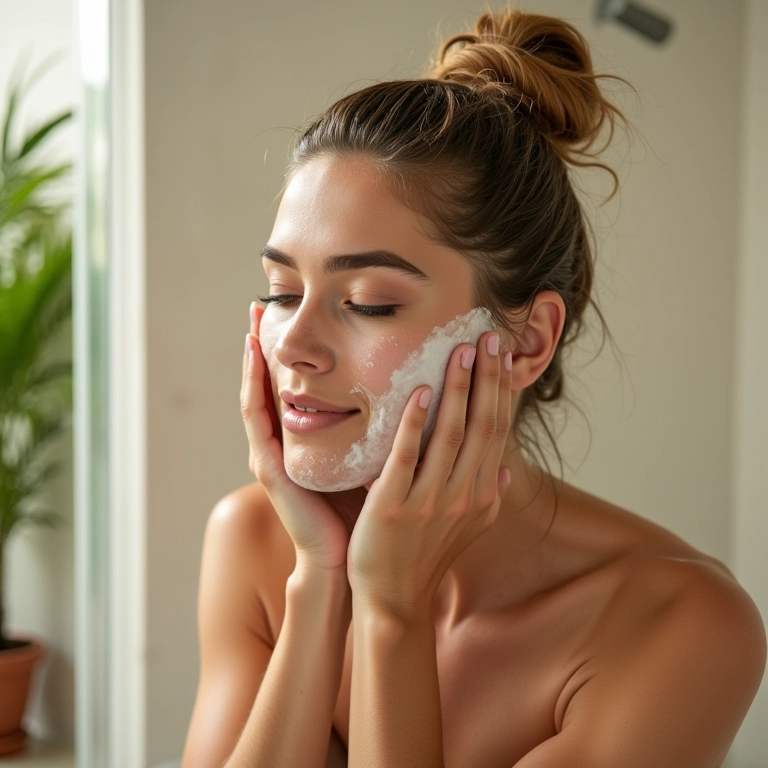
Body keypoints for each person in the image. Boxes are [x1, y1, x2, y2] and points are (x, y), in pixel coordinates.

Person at [182, 8, 766, 767]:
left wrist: (393, 612)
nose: (290, 343)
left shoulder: (679, 625)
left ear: (526, 341)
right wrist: (321, 585)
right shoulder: (259, 544)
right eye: (283, 290)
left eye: (369, 303)